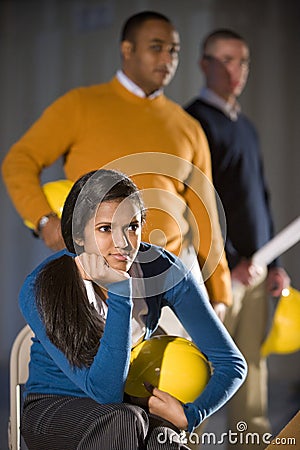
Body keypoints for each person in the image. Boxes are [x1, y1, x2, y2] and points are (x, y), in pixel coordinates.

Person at [2, 11, 232, 319]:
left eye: (174, 50)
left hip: (173, 278)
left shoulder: (188, 127)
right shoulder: (80, 106)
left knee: (190, 366)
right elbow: (19, 161)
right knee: (102, 365)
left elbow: (205, 215)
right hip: (98, 278)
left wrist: (220, 294)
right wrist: (44, 222)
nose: (167, 58)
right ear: (128, 50)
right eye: (156, 47)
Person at [19, 168, 247, 449]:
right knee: (125, 420)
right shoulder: (41, 285)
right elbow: (106, 393)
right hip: (54, 412)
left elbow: (231, 363)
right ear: (78, 235)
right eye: (105, 229)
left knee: (165, 441)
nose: (123, 242)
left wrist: (191, 415)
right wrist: (120, 292)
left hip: (129, 411)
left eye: (133, 226)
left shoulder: (164, 270)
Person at [185, 29, 290, 448]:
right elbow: (197, 200)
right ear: (204, 64)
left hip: (258, 268)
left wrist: (274, 264)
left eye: (241, 61)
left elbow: (260, 198)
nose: (235, 70)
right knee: (205, 369)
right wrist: (229, 260)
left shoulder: (245, 126)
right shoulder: (193, 121)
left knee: (253, 369)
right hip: (217, 272)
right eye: (225, 60)